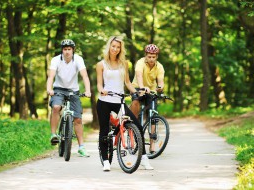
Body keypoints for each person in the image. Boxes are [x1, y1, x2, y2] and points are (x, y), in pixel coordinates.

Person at [96, 36, 153, 171]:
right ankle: (106, 161)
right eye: (113, 46)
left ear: (120, 49)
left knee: (137, 126)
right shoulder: (101, 64)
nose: (115, 49)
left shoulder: (124, 64)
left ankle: (144, 159)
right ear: (109, 46)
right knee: (104, 132)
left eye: (118, 47)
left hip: (119, 101)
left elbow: (127, 82)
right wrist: (102, 90)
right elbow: (99, 84)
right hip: (104, 101)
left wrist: (136, 92)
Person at [46, 39, 91, 157]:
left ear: (73, 50)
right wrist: (49, 89)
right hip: (58, 90)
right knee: (56, 107)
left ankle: (81, 147)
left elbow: (85, 76)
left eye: (69, 49)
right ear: (62, 50)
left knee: (78, 119)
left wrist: (88, 90)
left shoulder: (78, 59)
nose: (67, 52)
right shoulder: (56, 60)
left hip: (73, 91)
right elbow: (51, 76)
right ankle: (53, 134)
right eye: (65, 49)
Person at [130, 44, 165, 154]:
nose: (151, 59)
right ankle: (133, 128)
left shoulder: (159, 67)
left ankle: (152, 143)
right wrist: (142, 87)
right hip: (138, 87)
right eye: (149, 56)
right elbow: (139, 76)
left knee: (153, 115)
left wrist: (160, 87)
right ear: (145, 55)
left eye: (153, 57)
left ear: (157, 57)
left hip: (151, 90)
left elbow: (160, 81)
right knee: (136, 104)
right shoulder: (140, 63)